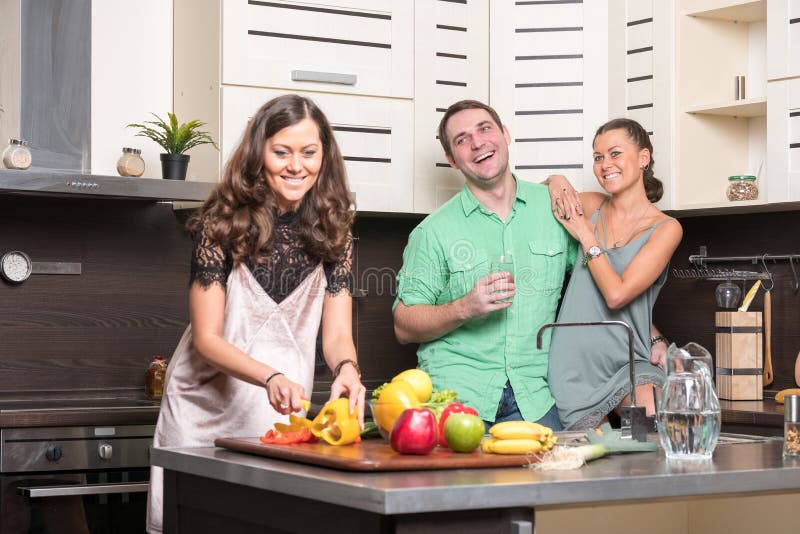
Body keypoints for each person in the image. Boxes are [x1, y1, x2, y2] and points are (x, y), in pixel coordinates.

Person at [146, 94, 366, 534]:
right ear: (258, 154)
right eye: (281, 152)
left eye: (309, 153)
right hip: (204, 409)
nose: (295, 166)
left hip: (278, 414)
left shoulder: (335, 233)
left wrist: (348, 369)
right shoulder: (221, 224)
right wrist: (271, 376)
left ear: (325, 156)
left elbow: (337, 335)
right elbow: (207, 340)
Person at [392, 99, 578, 430]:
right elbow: (404, 326)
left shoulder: (553, 208)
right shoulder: (432, 232)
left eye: (485, 128)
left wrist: (652, 338)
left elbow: (598, 283)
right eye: (462, 139)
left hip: (535, 395)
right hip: (457, 396)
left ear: (505, 134)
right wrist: (464, 307)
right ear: (452, 159)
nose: (478, 142)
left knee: (554, 476)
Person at [547, 118, 682, 430]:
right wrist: (556, 180)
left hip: (628, 363)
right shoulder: (591, 205)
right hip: (572, 367)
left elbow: (618, 294)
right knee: (587, 464)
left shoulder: (665, 228)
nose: (604, 164)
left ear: (643, 159)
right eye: (598, 157)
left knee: (646, 439)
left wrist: (585, 234)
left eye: (615, 153)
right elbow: (534, 197)